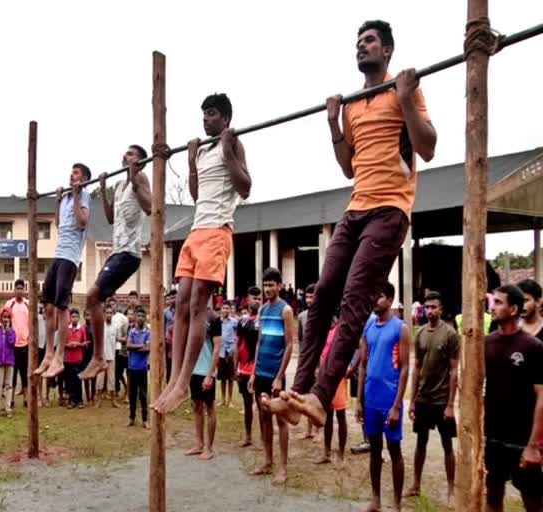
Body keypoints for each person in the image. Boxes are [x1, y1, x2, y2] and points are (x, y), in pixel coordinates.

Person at [284, 19, 436, 428]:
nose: (361, 46)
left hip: (390, 209)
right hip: (356, 208)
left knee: (355, 299)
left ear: (386, 50)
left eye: (369, 41)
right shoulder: (352, 104)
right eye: (358, 41)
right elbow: (348, 167)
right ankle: (300, 394)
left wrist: (405, 99)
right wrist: (334, 124)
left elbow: (429, 147)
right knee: (321, 300)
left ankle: (321, 395)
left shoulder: (404, 87)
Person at [154, 93, 251, 414]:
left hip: (217, 231)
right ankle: (174, 378)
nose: (205, 119)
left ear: (225, 118)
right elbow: (196, 195)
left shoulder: (232, 144)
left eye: (211, 114)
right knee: (180, 301)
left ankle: (184, 382)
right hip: (196, 231)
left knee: (198, 304)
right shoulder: (203, 150)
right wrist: (191, 161)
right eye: (203, 114)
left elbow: (246, 187)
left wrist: (227, 150)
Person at [80, 146, 152, 381]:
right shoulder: (120, 185)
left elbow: (150, 207)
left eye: (131, 154)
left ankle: (99, 356)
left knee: (92, 297)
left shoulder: (140, 178)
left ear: (140, 162)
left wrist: (134, 177)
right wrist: (102, 189)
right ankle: (99, 356)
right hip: (116, 251)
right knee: (94, 299)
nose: (125, 156)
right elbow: (111, 218)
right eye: (125, 154)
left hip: (129, 253)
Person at [484, 285, 543, 512]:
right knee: (493, 497)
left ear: (514, 309)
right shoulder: (486, 343)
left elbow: (542, 397)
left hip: (521, 438)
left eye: (499, 302)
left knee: (533, 501)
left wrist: (533, 446)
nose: (493, 306)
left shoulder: (533, 347)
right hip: (493, 437)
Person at [356, 282, 411, 512]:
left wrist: (397, 405)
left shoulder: (401, 328)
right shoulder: (368, 328)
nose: (375, 300)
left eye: (379, 296)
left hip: (390, 401)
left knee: (394, 450)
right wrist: (359, 400)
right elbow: (362, 365)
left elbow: (406, 367)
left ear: (389, 299)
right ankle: (376, 499)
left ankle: (397, 503)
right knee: (375, 450)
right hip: (370, 400)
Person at [37, 164, 92, 379]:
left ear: (85, 178)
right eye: (71, 172)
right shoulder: (67, 197)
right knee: (47, 306)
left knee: (61, 306)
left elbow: (82, 221)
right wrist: (59, 201)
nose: (72, 175)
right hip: (58, 254)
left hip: (70, 257)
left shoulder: (84, 195)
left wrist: (78, 194)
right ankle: (49, 353)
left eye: (76, 172)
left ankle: (60, 356)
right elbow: (59, 224)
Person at [405, 291, 459, 505]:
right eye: (427, 307)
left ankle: (451, 490)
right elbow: (416, 367)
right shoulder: (419, 333)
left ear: (441, 309)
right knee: (421, 442)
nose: (430, 311)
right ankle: (416, 484)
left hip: (442, 399)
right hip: (423, 399)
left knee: (447, 445)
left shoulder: (451, 334)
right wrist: (412, 400)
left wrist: (450, 405)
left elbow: (455, 371)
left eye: (434, 307)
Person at [250, 268, 295, 485]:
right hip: (260, 373)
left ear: (279, 285)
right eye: (265, 285)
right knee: (263, 417)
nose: (268, 289)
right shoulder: (263, 309)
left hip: (276, 376)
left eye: (271, 285)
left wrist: (279, 377)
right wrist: (253, 372)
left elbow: (289, 345)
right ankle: (267, 461)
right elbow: (259, 342)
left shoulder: (286, 310)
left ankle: (283, 468)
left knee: (281, 420)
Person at [186, 307, 222, 460]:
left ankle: (209, 447)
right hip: (193, 370)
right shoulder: (192, 314)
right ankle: (199, 443)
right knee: (197, 407)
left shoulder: (213, 317)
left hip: (206, 371)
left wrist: (210, 374)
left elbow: (217, 348)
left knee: (210, 407)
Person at [316, 317, 349, 464]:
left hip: (338, 377)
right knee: (327, 415)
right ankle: (326, 452)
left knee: (340, 415)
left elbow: (351, 348)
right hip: (324, 376)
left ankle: (341, 453)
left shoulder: (340, 329)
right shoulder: (323, 329)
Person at [235, 286, 261, 447]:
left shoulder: (263, 320)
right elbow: (238, 345)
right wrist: (235, 367)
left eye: (259, 299)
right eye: (254, 298)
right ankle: (248, 436)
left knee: (261, 403)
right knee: (246, 403)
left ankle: (263, 438)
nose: (257, 301)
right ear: (247, 300)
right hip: (243, 369)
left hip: (257, 370)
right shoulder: (242, 321)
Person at [5, 280, 30, 407]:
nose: (19, 290)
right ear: (14, 290)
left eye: (21, 288)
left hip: (25, 344)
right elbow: (5, 321)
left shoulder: (28, 304)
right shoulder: (10, 304)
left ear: (24, 290)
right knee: (12, 373)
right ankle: (11, 400)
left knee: (24, 373)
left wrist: (31, 336)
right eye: (17, 288)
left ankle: (26, 399)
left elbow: (32, 322)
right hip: (12, 345)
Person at [297, 283, 317, 440]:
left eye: (312, 296)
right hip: (305, 361)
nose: (309, 299)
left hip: (318, 362)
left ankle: (317, 429)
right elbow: (300, 339)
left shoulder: (325, 315)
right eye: (307, 296)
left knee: (315, 395)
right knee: (304, 395)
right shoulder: (302, 316)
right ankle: (308, 429)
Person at [127, 307, 150, 427]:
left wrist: (135, 346)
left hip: (142, 369)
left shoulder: (148, 333)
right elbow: (128, 345)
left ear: (145, 318)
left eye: (142, 316)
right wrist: (140, 346)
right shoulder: (131, 332)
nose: (140, 318)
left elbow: (148, 348)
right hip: (132, 368)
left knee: (143, 395)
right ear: (135, 317)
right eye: (138, 316)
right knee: (132, 395)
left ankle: (145, 420)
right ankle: (131, 418)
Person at [0, 308, 16, 417]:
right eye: (4, 317)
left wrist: (9, 330)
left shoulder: (12, 331)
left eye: (8, 317)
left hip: (9, 361)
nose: (5, 319)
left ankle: (8, 408)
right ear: (1, 318)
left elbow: (12, 343)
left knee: (8, 385)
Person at [64, 308, 88, 409]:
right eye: (72, 316)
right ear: (70, 318)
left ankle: (79, 400)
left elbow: (85, 343)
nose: (74, 318)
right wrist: (68, 345)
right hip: (68, 358)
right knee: (70, 380)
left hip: (78, 358)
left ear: (79, 318)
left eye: (76, 316)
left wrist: (78, 344)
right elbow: (63, 343)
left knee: (77, 379)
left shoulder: (82, 329)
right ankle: (71, 400)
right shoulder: (66, 329)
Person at [96, 304, 119, 407]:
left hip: (112, 357)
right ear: (104, 314)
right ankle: (98, 401)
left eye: (110, 313)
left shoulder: (115, 327)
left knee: (111, 380)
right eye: (107, 313)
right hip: (102, 358)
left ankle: (113, 401)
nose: (109, 315)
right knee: (100, 380)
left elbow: (117, 339)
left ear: (113, 314)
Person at [217, 302, 238, 408]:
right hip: (220, 352)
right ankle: (223, 399)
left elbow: (237, 336)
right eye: (223, 308)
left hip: (230, 352)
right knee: (222, 378)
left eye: (227, 308)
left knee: (230, 378)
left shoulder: (234, 322)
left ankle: (230, 400)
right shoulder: (218, 322)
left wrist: (234, 348)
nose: (225, 310)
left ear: (230, 310)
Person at [113, 303, 130, 401]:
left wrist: (120, 339)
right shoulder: (123, 326)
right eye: (128, 314)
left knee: (129, 374)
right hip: (121, 352)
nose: (129, 317)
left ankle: (128, 393)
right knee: (118, 373)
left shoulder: (134, 328)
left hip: (130, 354)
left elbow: (125, 339)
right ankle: (125, 387)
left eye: (132, 314)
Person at [164, 289, 177, 382]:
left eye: (175, 297)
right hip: (168, 341)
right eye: (171, 297)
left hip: (179, 340)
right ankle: (169, 382)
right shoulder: (165, 312)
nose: (173, 299)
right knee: (169, 362)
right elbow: (163, 326)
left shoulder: (183, 310)